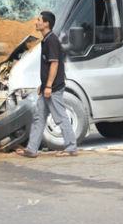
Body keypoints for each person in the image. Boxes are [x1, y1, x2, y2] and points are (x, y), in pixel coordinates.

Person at [16, 11, 78, 158]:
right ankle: (31, 149)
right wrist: (43, 85)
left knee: (60, 117)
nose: (36, 22)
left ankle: (71, 147)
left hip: (54, 88)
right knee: (39, 117)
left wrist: (49, 85)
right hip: (47, 87)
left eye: (39, 20)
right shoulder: (46, 40)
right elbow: (48, 65)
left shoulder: (52, 41)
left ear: (46, 24)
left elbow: (54, 64)